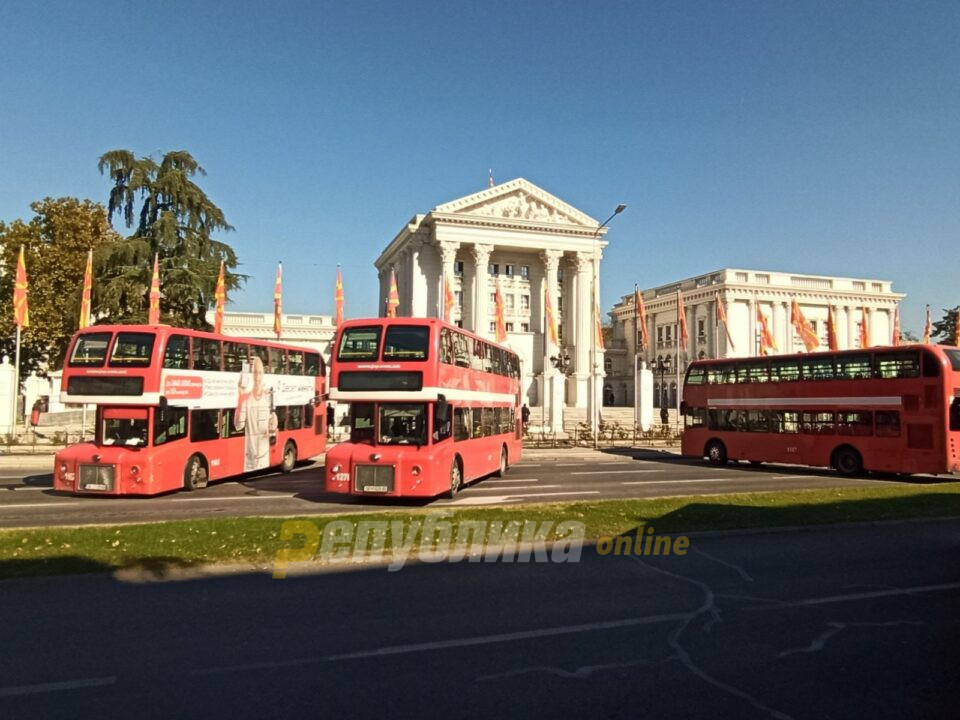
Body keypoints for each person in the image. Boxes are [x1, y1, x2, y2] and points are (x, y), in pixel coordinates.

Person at [234, 356, 278, 471]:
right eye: (255, 372)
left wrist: (274, 426)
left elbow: (273, 426)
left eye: (259, 372)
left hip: (265, 458)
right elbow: (239, 426)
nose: (257, 376)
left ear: (263, 374)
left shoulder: (269, 398)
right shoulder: (246, 399)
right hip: (250, 460)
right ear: (251, 375)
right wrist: (240, 397)